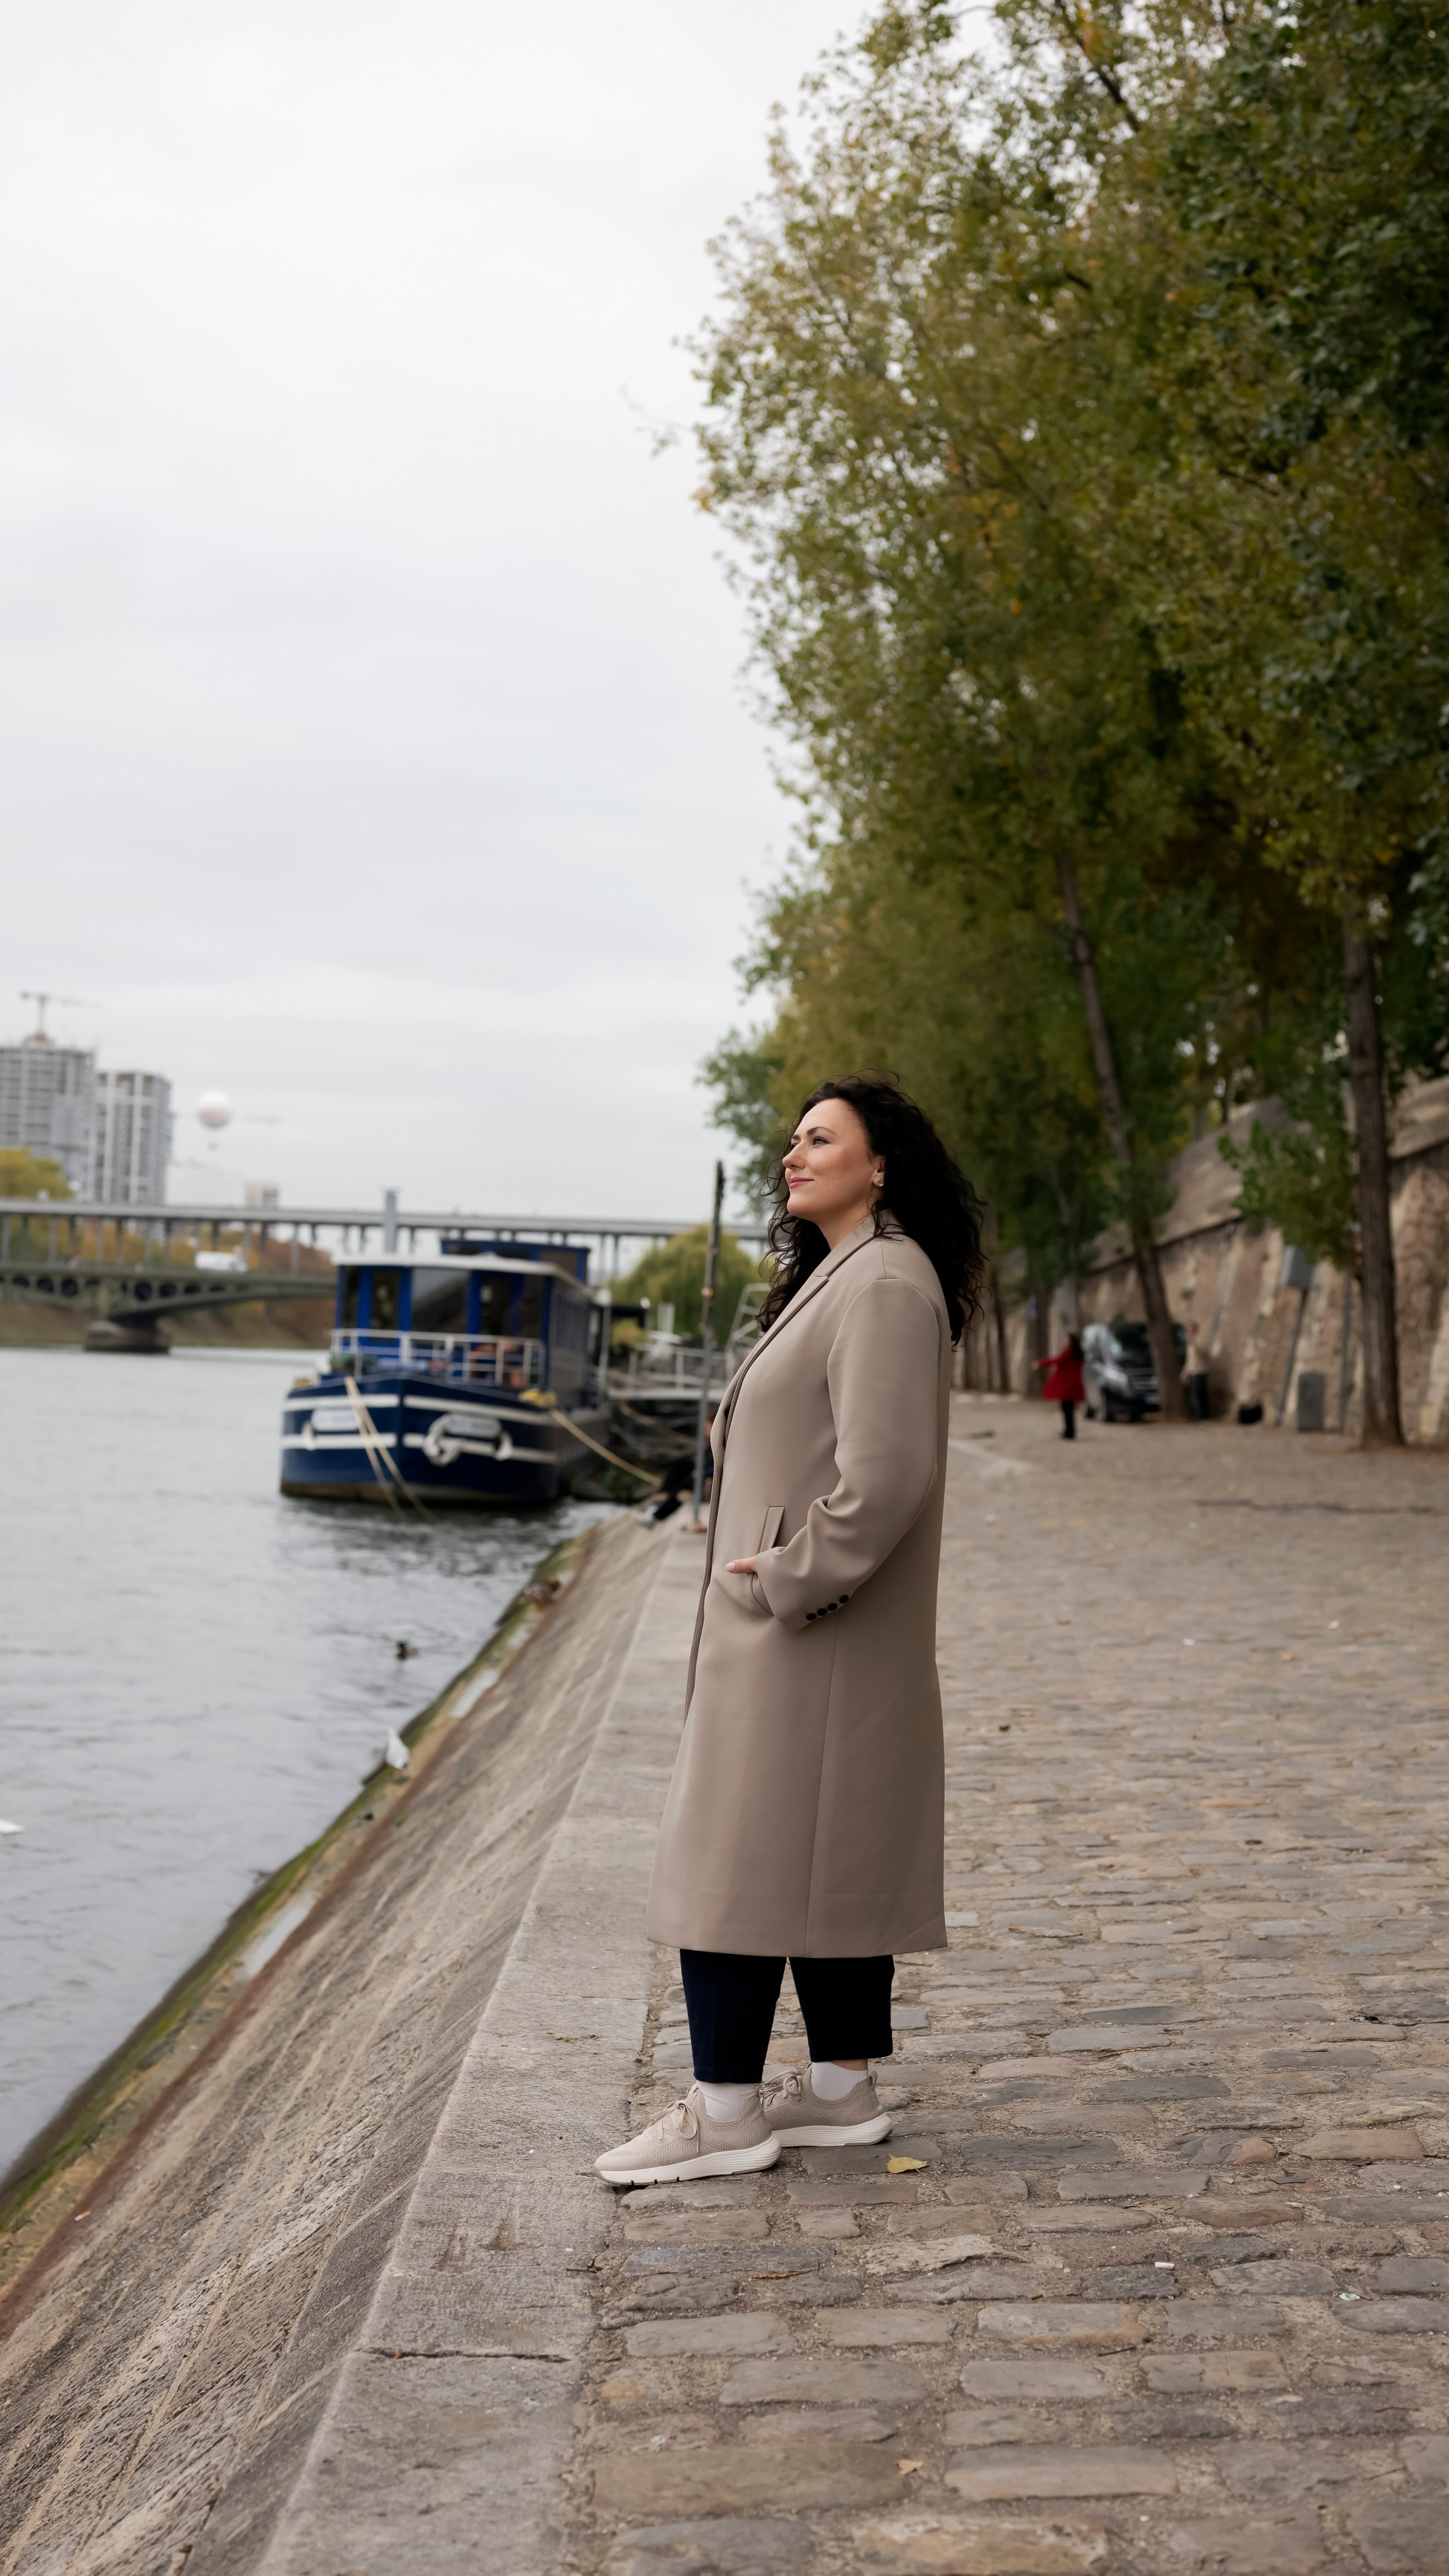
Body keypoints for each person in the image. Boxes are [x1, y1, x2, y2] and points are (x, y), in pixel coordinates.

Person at [596, 1075, 984, 2185]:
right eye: (790, 1140)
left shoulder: (878, 1285)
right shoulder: (851, 1276)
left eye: (820, 1138)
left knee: (732, 1853)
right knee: (824, 1856)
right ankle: (836, 2085)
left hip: (803, 1627)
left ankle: (722, 2109)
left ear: (879, 1166)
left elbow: (886, 1476)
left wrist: (783, 1578)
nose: (792, 1155)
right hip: (807, 1630)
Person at [642, 1412, 715, 1523]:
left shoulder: (718, 1444)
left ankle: (658, 1515)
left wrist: (700, 1472)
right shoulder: (710, 1444)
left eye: (708, 1426)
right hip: (704, 1473)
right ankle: (664, 1494)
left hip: (708, 1478)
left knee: (687, 1483)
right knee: (681, 1465)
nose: (706, 1429)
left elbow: (716, 1466)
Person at [1035, 1331, 1085, 1439]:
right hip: (1074, 1384)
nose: (1064, 1341)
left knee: (1067, 1409)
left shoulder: (1068, 1352)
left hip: (1067, 1385)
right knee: (1069, 1409)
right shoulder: (1077, 1353)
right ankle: (1069, 1431)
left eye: (1066, 1339)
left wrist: (1040, 1363)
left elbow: (1056, 1360)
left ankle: (1069, 1432)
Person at [1181, 1319, 1211, 1421]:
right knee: (1194, 1394)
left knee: (1198, 1395)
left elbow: (1205, 1354)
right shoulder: (1189, 1344)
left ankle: (1201, 1416)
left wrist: (1194, 1342)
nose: (1190, 1332)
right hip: (1192, 1372)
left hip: (1200, 1371)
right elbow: (1189, 1360)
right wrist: (1184, 1373)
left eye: (1192, 1330)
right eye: (1188, 1330)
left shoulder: (1200, 1340)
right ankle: (1198, 1415)